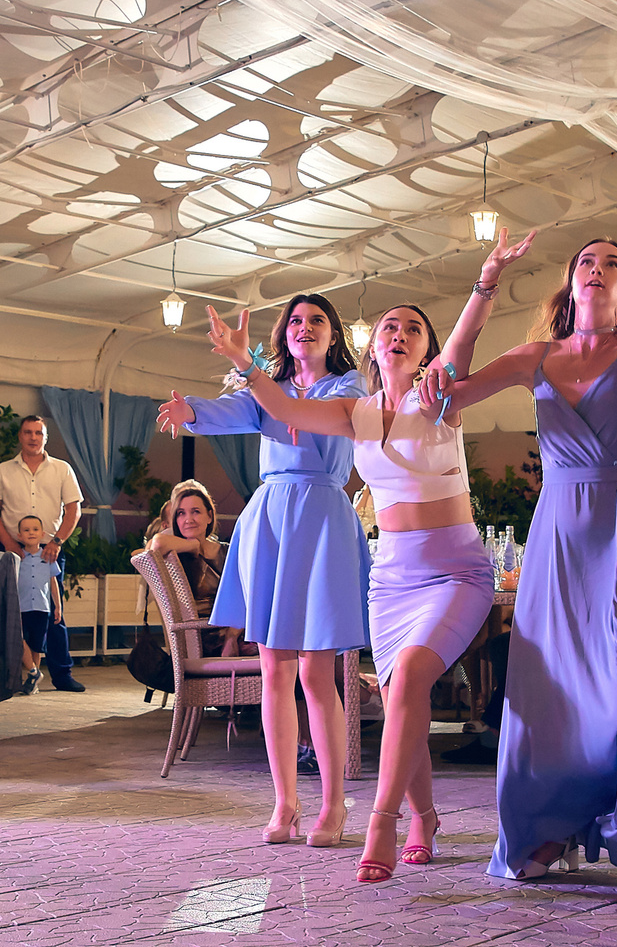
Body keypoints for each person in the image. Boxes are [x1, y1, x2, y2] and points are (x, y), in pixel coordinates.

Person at [430, 207, 617, 917]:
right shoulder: (537, 356)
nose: (597, 268)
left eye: (612, 263)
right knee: (552, 700)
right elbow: (448, 385)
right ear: (571, 283)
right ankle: (551, 831)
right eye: (587, 261)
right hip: (556, 536)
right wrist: (485, 285)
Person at [189, 302, 490, 885]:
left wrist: (487, 283)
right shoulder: (354, 408)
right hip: (380, 569)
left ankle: (369, 816)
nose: (399, 335)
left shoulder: (437, 395)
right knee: (396, 688)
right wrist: (240, 361)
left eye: (413, 328)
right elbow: (272, 407)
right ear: (374, 345)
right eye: (389, 327)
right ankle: (413, 814)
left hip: (428, 559)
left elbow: (466, 337)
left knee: (381, 680)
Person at [158, 295, 368, 846]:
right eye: (295, 321)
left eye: (317, 320)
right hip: (270, 521)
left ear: (333, 335)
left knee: (316, 674)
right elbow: (231, 412)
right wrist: (190, 413)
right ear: (284, 335)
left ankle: (332, 804)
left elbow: (292, 415)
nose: (304, 328)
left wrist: (247, 367)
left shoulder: (348, 388)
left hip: (322, 517)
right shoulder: (261, 387)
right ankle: (284, 804)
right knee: (273, 670)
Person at [0, 416, 85, 692]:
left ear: (46, 437)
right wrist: (7, 543)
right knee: (4, 613)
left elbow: (74, 510)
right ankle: (7, 675)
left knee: (52, 612)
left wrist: (57, 541)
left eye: (39, 432)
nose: (33, 437)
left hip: (49, 550)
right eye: (28, 432)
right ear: (20, 436)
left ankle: (62, 675)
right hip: (9, 549)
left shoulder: (63, 469)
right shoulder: (3, 470)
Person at [142, 478, 242, 655]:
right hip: (200, 639)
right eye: (180, 513)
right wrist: (193, 545)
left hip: (235, 632)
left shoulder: (227, 551)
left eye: (195, 512)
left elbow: (247, 596)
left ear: (209, 516)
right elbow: (156, 544)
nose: (188, 519)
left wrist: (232, 636)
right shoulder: (175, 554)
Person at [13, 515, 60, 690]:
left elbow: (53, 582)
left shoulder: (48, 556)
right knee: (19, 639)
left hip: (41, 607)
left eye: (35, 529)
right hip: (21, 606)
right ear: (19, 536)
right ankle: (33, 671)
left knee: (37, 645)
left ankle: (33, 681)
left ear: (42, 534)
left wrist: (58, 606)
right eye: (26, 530)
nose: (31, 533)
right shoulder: (17, 557)